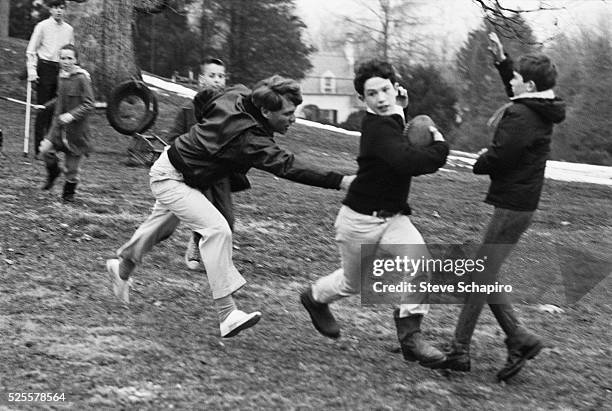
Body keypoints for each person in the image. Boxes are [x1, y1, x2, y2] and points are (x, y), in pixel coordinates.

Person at [106, 75, 354, 339]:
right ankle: (227, 314)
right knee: (217, 231)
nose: (293, 119)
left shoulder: (238, 93)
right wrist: (341, 180)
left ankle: (119, 270)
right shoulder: (249, 139)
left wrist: (208, 141)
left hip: (192, 176)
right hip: (171, 176)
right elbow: (288, 166)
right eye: (288, 114)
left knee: (157, 231)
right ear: (266, 111)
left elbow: (205, 99)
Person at [299, 59, 450, 368]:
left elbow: (399, 135)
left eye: (385, 90)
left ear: (396, 88)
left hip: (394, 219)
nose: (381, 99)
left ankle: (411, 337)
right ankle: (313, 298)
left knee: (421, 265)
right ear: (362, 99)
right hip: (358, 221)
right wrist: (441, 147)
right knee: (351, 285)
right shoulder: (376, 128)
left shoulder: (391, 118)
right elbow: (407, 160)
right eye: (372, 94)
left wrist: (402, 110)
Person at [437, 32, 566, 381]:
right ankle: (518, 338)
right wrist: (502, 62)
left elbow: (503, 155)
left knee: (479, 276)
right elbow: (517, 98)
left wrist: (481, 160)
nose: (515, 83)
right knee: (484, 272)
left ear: (530, 84)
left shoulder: (523, 115)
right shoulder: (538, 106)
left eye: (519, 79)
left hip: (513, 205)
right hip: (520, 204)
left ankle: (460, 350)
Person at [165, 58, 240, 271]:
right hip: (196, 173)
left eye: (221, 76)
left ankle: (219, 256)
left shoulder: (231, 110)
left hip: (221, 173)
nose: (217, 81)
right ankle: (197, 247)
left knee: (227, 218)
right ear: (201, 79)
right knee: (205, 214)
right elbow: (173, 139)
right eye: (212, 75)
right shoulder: (188, 109)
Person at [38, 44, 94, 202]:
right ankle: (54, 173)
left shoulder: (82, 78)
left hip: (76, 132)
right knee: (44, 151)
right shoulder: (61, 76)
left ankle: (68, 196)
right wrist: (46, 106)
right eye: (63, 58)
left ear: (76, 60)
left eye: (69, 58)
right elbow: (60, 99)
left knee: (72, 169)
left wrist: (71, 115)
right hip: (58, 128)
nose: (66, 61)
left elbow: (89, 104)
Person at [26, 0, 75, 157]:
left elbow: (71, 52)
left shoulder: (69, 29)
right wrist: (32, 71)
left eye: (61, 8)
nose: (59, 11)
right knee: (42, 110)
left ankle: (52, 146)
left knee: (57, 110)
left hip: (61, 71)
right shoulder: (42, 26)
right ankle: (39, 149)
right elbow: (31, 50)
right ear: (50, 9)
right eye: (55, 8)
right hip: (45, 69)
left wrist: (71, 72)